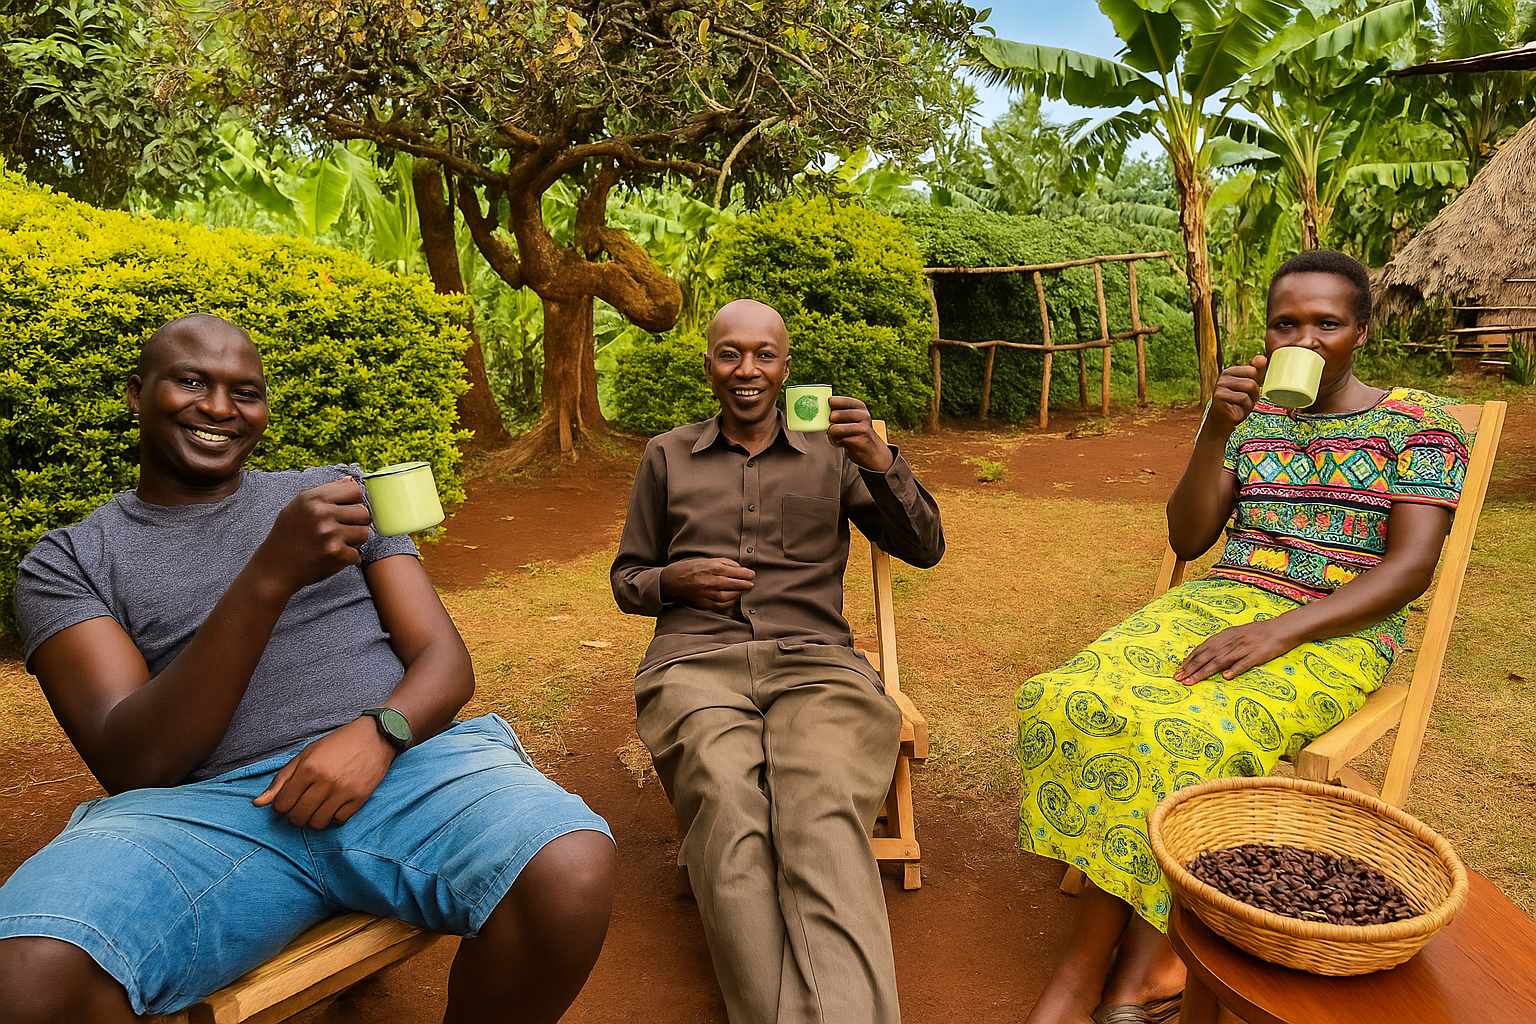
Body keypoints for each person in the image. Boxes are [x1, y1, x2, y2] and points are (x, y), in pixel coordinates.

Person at [0, 313, 618, 1024]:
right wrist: (270, 574)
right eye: (192, 382)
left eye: (246, 391)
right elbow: (136, 760)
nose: (220, 409)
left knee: (567, 866)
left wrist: (379, 733)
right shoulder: (68, 561)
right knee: (29, 971)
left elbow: (443, 661)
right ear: (139, 394)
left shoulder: (337, 491)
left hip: (403, 771)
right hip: (202, 816)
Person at [1016, 250, 1470, 1024]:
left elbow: (1411, 568)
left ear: (1361, 329)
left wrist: (1280, 631)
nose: (1307, 337)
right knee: (1063, 697)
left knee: (1188, 732)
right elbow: (1190, 536)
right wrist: (1214, 430)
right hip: (1221, 601)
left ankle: (1124, 969)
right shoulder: (1251, 415)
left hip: (1336, 624)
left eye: (1327, 322)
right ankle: (1130, 960)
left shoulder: (1422, 424)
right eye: (1286, 322)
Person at [611, 299, 944, 1024]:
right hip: (696, 665)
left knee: (817, 809)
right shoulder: (667, 456)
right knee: (728, 810)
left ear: (787, 368)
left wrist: (881, 461)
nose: (748, 369)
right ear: (709, 368)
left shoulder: (834, 450)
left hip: (818, 667)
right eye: (731, 354)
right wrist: (676, 579)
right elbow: (627, 579)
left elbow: (925, 548)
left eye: (765, 354)